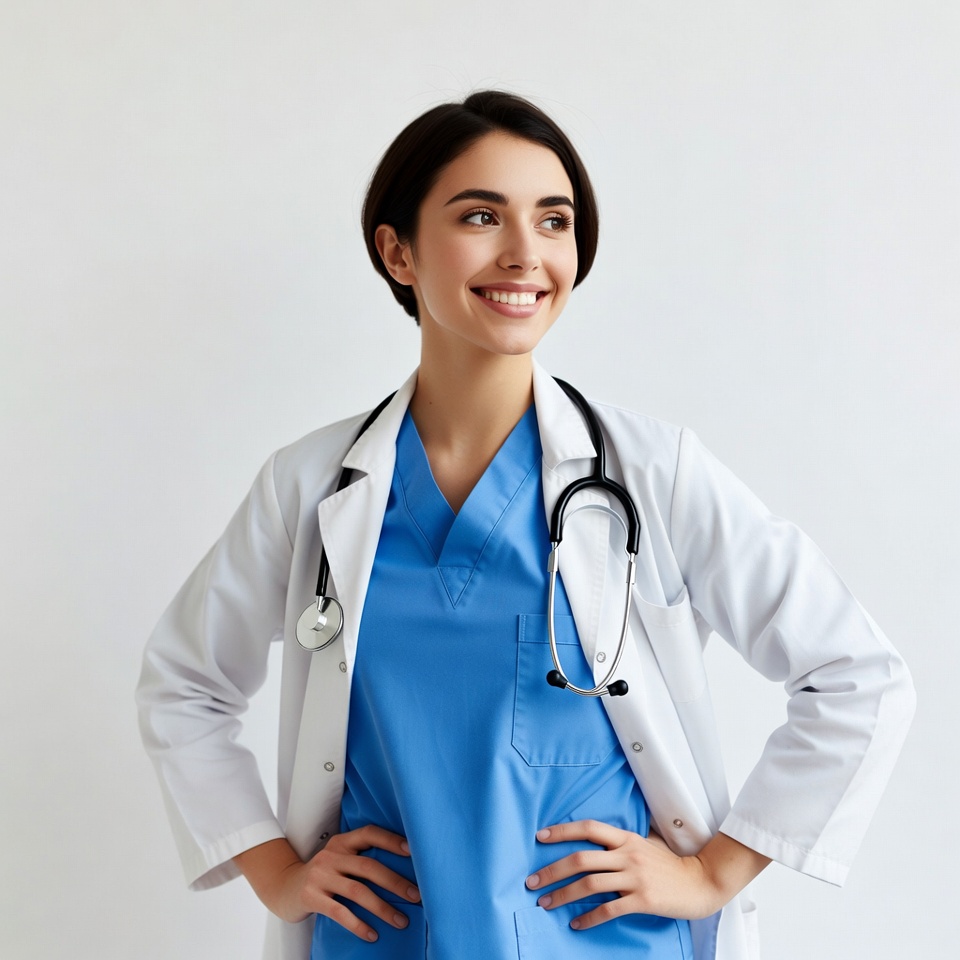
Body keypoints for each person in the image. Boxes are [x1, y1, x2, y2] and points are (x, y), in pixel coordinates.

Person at [136, 91, 915, 960]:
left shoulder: (653, 473)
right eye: (480, 216)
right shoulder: (313, 485)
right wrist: (276, 870)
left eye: (554, 221)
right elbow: (183, 686)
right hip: (382, 942)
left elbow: (858, 678)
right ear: (397, 251)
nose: (525, 254)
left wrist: (714, 873)